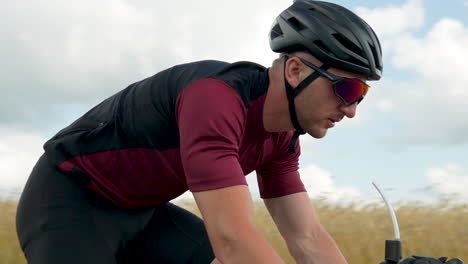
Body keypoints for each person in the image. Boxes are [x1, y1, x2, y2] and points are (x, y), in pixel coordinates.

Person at [15, 0, 394, 263]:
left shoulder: (282, 140)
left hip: (144, 215)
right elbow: (233, 239)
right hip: (68, 202)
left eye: (361, 94)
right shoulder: (215, 98)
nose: (351, 109)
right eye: (345, 89)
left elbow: (306, 238)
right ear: (295, 71)